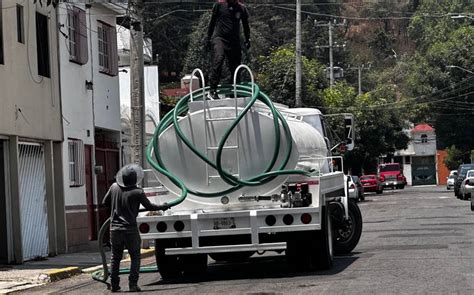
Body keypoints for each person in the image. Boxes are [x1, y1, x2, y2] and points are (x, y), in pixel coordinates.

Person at [102, 164, 169, 292]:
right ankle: (133, 284)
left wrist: (115, 209)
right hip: (130, 230)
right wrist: (162, 207)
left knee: (115, 257)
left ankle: (114, 285)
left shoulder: (114, 187)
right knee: (135, 256)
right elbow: (149, 206)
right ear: (134, 179)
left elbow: (105, 202)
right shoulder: (137, 192)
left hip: (114, 229)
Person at [204, 0, 250, 100]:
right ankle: (212, 90)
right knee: (218, 59)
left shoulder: (241, 8)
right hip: (219, 38)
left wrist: (247, 39)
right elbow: (212, 22)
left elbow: (246, 25)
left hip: (234, 41)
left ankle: (234, 91)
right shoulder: (219, 5)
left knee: (236, 67)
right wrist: (208, 38)